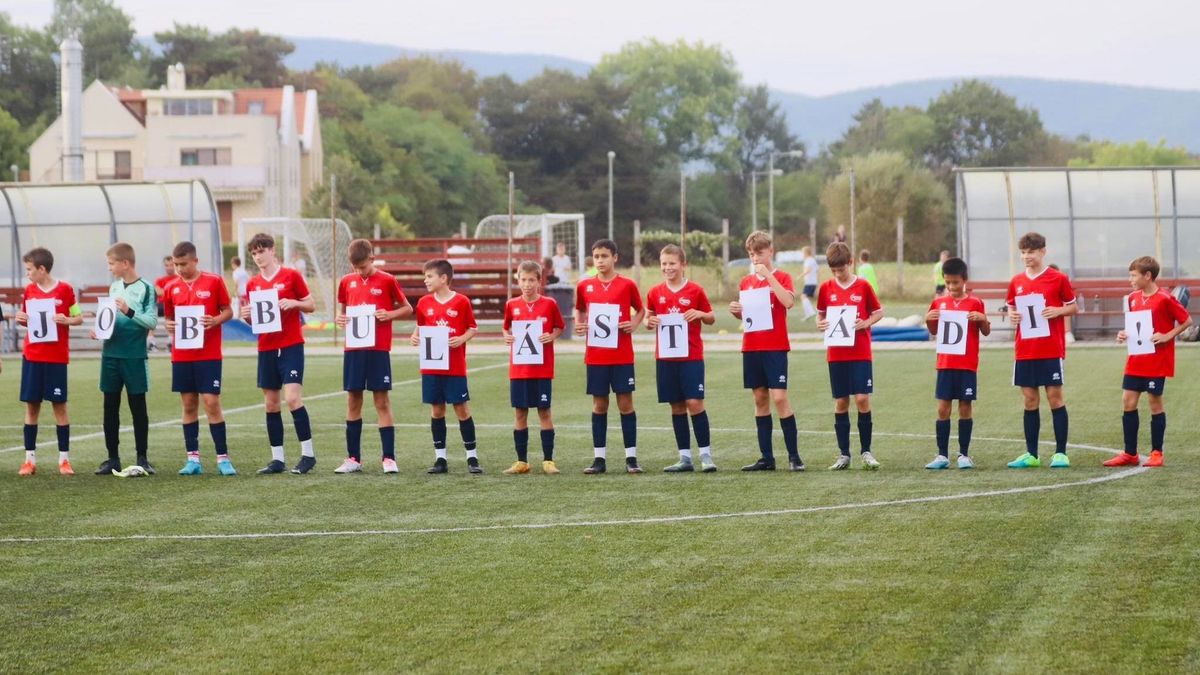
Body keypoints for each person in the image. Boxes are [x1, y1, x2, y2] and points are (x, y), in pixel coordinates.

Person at [240, 233, 318, 475]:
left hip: (291, 345)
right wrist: (247, 317)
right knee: (271, 404)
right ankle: (277, 459)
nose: (258, 256)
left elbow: (311, 304)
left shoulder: (291, 275)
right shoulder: (253, 284)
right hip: (266, 347)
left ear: (273, 250)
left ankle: (308, 454)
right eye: (254, 253)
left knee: (293, 398)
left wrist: (294, 303)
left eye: (262, 251)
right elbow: (256, 320)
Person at [1106, 256, 1192, 468]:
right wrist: (1124, 334)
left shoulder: (1165, 298)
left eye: (1133, 275)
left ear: (1148, 275)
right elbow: (1136, 327)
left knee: (1154, 403)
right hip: (1136, 359)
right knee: (1128, 401)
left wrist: (1167, 335)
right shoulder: (1134, 297)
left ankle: (1156, 453)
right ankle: (1130, 453)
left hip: (1157, 361)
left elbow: (1187, 321)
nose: (1130, 279)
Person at [334, 239, 412, 474]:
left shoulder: (387, 280)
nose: (359, 272)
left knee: (381, 401)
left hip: (378, 350)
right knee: (353, 400)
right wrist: (340, 320)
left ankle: (388, 458)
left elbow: (407, 308)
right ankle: (353, 458)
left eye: (363, 267)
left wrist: (389, 314)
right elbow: (343, 312)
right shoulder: (347, 282)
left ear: (372, 259)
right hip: (354, 350)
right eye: (355, 268)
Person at [730, 231, 804, 472]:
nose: (756, 258)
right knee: (760, 399)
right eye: (752, 254)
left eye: (760, 253)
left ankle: (794, 456)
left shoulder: (782, 277)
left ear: (770, 251)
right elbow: (749, 315)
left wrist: (768, 277)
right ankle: (766, 457)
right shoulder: (746, 282)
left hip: (775, 347)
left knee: (780, 397)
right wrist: (737, 310)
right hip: (752, 346)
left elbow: (789, 302)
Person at [1003, 232, 1077, 469]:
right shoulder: (1016, 282)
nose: (1027, 257)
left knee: (1054, 398)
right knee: (1029, 400)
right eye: (1023, 252)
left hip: (1050, 349)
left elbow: (1073, 307)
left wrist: (1058, 311)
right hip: (1025, 351)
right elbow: (1012, 311)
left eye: (1031, 252)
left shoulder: (1058, 278)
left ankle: (1060, 453)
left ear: (1043, 251)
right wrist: (1012, 315)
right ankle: (1031, 454)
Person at [164, 241, 236, 476]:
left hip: (209, 354)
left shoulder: (213, 281)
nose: (179, 269)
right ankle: (192, 459)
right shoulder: (171, 288)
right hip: (182, 355)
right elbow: (169, 319)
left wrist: (215, 320)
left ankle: (223, 458)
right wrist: (170, 326)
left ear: (195, 260)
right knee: (188, 404)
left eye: (183, 264)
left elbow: (228, 310)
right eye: (176, 265)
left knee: (211, 402)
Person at [574, 239, 645, 474]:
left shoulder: (627, 285)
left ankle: (631, 458)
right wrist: (579, 323)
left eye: (604, 256)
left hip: (622, 355)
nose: (600, 261)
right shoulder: (585, 285)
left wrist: (633, 323)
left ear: (615, 257)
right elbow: (580, 308)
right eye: (596, 257)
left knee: (625, 404)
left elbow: (641, 309)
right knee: (599, 404)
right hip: (596, 357)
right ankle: (599, 459)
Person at [646, 245, 717, 473]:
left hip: (691, 357)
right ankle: (684, 457)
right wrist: (649, 322)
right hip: (666, 358)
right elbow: (649, 317)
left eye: (672, 263)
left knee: (694, 403)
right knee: (676, 406)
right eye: (664, 264)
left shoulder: (695, 290)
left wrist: (701, 314)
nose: (668, 268)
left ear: (683, 265)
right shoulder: (655, 292)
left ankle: (706, 455)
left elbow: (711, 317)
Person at [15, 247, 83, 476]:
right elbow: (28, 321)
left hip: (55, 358)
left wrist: (67, 320)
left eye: (30, 270)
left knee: (59, 406)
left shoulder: (65, 290)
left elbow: (79, 317)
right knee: (32, 406)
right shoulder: (29, 291)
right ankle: (29, 460)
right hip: (33, 356)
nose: (28, 274)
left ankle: (64, 460)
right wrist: (21, 319)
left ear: (42, 269)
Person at [92, 243, 158, 476]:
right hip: (110, 355)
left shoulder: (146, 288)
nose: (109, 268)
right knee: (110, 406)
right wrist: (99, 331)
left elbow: (151, 322)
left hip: (134, 356)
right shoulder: (114, 287)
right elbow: (109, 320)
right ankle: (113, 459)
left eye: (111, 263)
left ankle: (142, 458)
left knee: (137, 406)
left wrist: (129, 311)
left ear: (125, 263)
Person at [817, 241, 884, 470]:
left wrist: (865, 322)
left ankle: (866, 451)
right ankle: (844, 454)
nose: (838, 274)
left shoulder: (863, 286)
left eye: (842, 269)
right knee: (841, 401)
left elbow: (879, 312)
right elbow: (820, 315)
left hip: (860, 352)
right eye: (834, 271)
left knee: (862, 399)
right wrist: (821, 324)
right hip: (836, 355)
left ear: (851, 262)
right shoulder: (826, 288)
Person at [410, 259, 481, 474]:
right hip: (432, 366)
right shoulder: (423, 303)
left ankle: (472, 458)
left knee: (461, 409)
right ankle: (440, 459)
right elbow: (420, 327)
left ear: (443, 278)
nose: (425, 280)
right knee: (437, 409)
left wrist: (461, 339)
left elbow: (472, 328)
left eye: (429, 276)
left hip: (455, 366)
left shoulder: (461, 302)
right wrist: (415, 336)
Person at [923, 257, 990, 469]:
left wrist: (982, 318)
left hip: (967, 365)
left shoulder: (975, 303)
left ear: (965, 280)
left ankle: (964, 454)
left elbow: (986, 331)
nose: (951, 287)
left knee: (965, 407)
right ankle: (942, 455)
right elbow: (934, 331)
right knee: (943, 409)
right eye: (948, 283)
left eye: (956, 283)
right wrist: (928, 319)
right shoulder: (938, 303)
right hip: (945, 364)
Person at [501, 261, 565, 475]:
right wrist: (507, 337)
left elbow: (559, 327)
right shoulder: (512, 304)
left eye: (531, 280)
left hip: (542, 369)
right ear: (517, 280)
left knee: (544, 411)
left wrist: (551, 336)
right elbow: (506, 327)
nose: (527, 284)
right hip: (519, 369)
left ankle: (548, 460)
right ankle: (522, 461)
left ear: (539, 281)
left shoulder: (549, 303)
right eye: (523, 280)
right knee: (520, 412)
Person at [800, 246, 818, 320]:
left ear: (806, 253)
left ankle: (811, 312)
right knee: (805, 297)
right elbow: (817, 270)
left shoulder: (808, 260)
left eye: (803, 252)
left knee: (803, 296)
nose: (802, 254)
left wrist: (800, 276)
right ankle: (808, 313)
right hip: (812, 282)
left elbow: (808, 270)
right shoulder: (812, 260)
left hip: (810, 283)